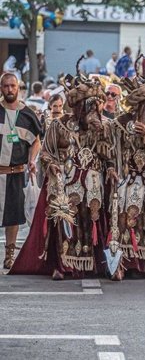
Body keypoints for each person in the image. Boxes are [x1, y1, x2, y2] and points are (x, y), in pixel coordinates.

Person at [11, 71, 115, 279]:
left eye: (97, 107)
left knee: (91, 221)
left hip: (93, 184)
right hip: (67, 182)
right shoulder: (60, 125)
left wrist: (111, 167)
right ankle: (61, 264)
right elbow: (47, 153)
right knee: (63, 221)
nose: (94, 111)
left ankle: (94, 263)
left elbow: (109, 155)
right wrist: (52, 166)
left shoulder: (103, 127)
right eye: (89, 107)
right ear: (78, 107)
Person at [108, 76, 145, 280]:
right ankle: (121, 263)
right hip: (128, 179)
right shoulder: (121, 123)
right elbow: (111, 149)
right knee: (123, 217)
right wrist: (111, 168)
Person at [0, 73, 42, 269]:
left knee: (13, 215)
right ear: (1, 88)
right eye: (6, 86)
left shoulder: (27, 114)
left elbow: (35, 141)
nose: (10, 89)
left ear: (19, 88)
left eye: (13, 86)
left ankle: (9, 254)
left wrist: (32, 160)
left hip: (15, 173)